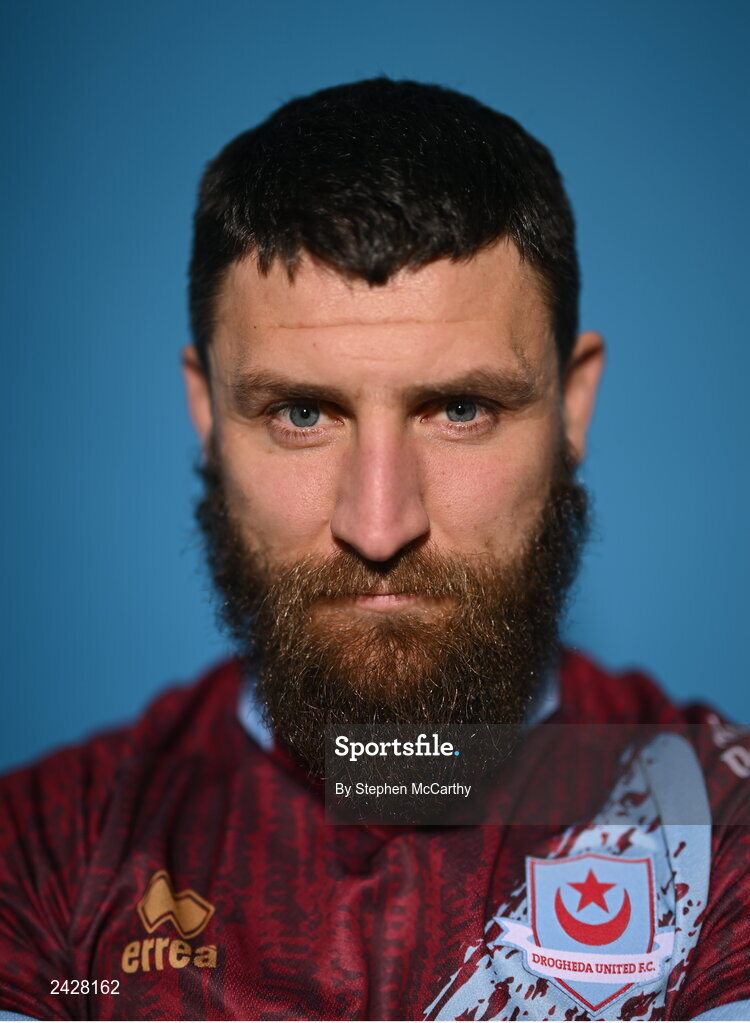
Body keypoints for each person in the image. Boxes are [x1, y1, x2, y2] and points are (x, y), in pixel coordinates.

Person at [0, 77, 748, 1023]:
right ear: (207, 414)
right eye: (302, 413)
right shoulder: (42, 854)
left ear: (573, 406)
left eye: (462, 409)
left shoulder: (721, 832)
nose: (380, 525)